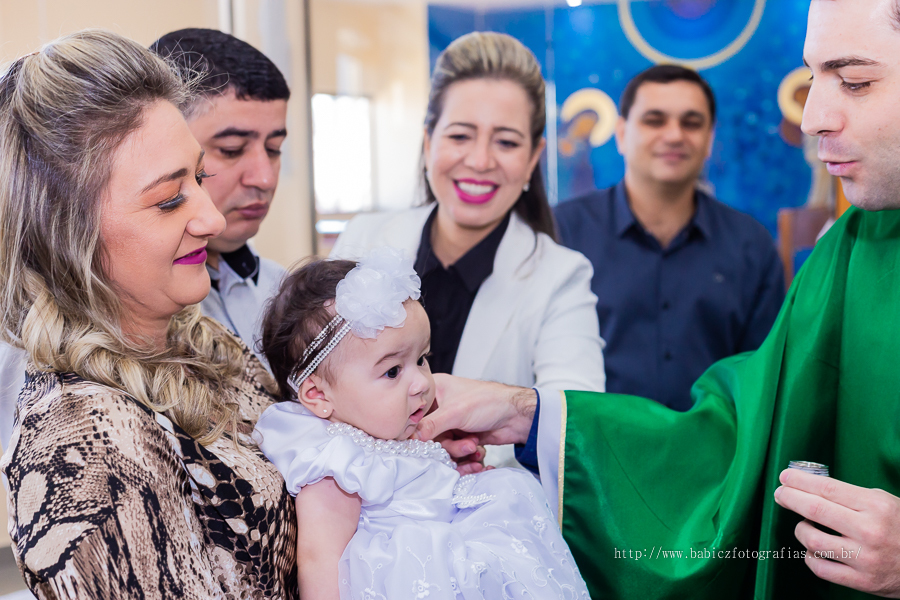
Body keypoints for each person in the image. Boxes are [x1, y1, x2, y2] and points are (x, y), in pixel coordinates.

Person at [415, 1, 900, 596]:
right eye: (813, 79)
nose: (815, 117)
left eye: (855, 82)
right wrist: (527, 413)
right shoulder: (851, 249)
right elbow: (748, 430)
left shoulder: (749, 241)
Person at [0, 30, 298, 598]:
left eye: (200, 178)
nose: (210, 219)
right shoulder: (82, 443)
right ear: (69, 234)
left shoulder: (198, 340)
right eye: (168, 199)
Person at [331, 32, 606, 465]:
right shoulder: (363, 241)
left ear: (534, 158)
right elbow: (311, 383)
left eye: (507, 142)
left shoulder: (561, 276)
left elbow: (581, 420)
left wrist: (509, 407)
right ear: (428, 143)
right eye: (460, 135)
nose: (480, 160)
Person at [252, 249, 590, 600]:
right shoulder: (335, 461)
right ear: (318, 396)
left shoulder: (389, 430)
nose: (422, 384)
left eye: (422, 359)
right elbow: (320, 559)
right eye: (393, 371)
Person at [554, 65, 785, 411]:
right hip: (589, 453)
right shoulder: (563, 232)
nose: (674, 135)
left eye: (691, 123)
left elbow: (763, 378)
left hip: (716, 456)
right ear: (620, 133)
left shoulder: (750, 245)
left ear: (709, 139)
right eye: (654, 120)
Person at [151, 28, 289, 366]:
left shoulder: (282, 290)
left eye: (274, 149)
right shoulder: (137, 313)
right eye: (232, 150)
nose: (265, 178)